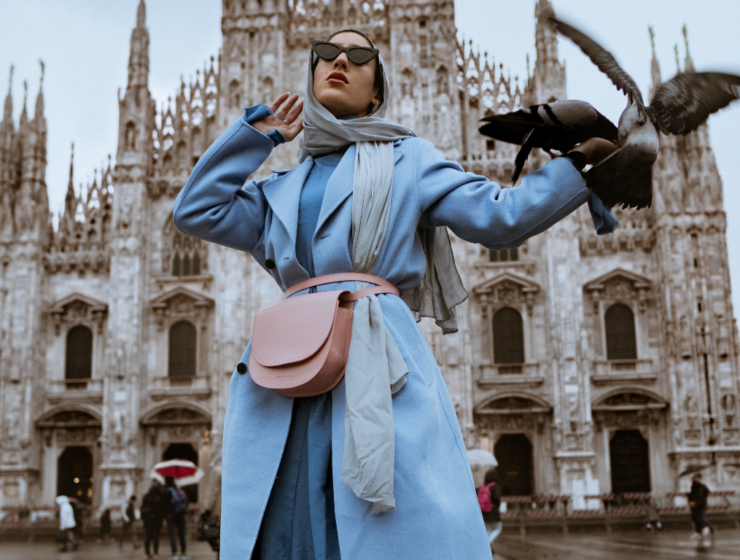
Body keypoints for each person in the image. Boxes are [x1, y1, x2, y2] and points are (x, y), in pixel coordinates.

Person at [173, 28, 618, 560]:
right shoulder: (277, 189)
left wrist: (581, 165)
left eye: (358, 56)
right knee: (286, 524)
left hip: (374, 357)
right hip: (289, 370)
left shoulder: (409, 160)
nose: (339, 60)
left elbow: (501, 217)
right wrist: (255, 137)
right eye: (325, 54)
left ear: (377, 92)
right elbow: (196, 210)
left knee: (378, 523)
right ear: (311, 78)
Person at [164, 475, 188, 559]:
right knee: (182, 534)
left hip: (170, 515)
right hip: (180, 514)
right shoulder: (179, 489)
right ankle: (184, 553)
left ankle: (174, 554)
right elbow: (185, 501)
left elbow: (163, 505)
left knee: (172, 534)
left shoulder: (166, 491)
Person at [142, 479, 167, 559]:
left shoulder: (146, 496)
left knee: (148, 535)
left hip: (147, 518)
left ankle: (147, 553)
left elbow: (143, 508)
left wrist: (143, 517)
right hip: (157, 518)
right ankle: (155, 553)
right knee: (156, 535)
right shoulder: (160, 496)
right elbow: (162, 508)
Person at [479, 468, 502, 554]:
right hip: (492, 510)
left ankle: (488, 548)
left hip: (484, 511)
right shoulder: (495, 486)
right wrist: (496, 506)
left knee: (488, 529)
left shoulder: (483, 486)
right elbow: (497, 499)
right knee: (498, 528)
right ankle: (487, 544)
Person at [688, 473, 714, 538]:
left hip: (701, 504)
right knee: (695, 518)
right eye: (695, 478)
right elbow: (692, 496)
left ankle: (710, 527)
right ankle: (698, 532)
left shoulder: (702, 486)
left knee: (700, 518)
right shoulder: (693, 486)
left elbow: (707, 492)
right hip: (695, 505)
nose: (696, 479)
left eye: (698, 478)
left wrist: (702, 497)